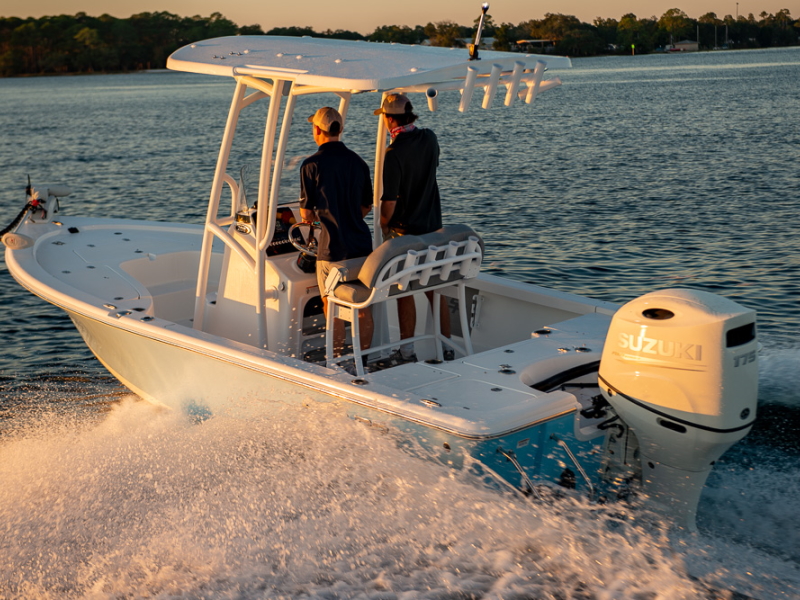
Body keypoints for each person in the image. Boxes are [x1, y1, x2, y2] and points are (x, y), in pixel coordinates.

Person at [374, 93, 452, 361]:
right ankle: (447, 348)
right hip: (434, 229)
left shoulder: (393, 153)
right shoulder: (429, 138)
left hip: (405, 233)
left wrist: (383, 225)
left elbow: (389, 203)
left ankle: (407, 352)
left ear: (389, 119)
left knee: (403, 290)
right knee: (435, 290)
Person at [299, 106, 374, 359]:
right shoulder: (359, 162)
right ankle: (364, 360)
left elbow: (306, 214)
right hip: (361, 247)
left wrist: (321, 218)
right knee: (363, 306)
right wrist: (348, 217)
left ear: (317, 130)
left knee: (331, 305)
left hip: (332, 251)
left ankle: (337, 361)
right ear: (340, 129)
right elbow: (366, 206)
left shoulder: (310, 165)